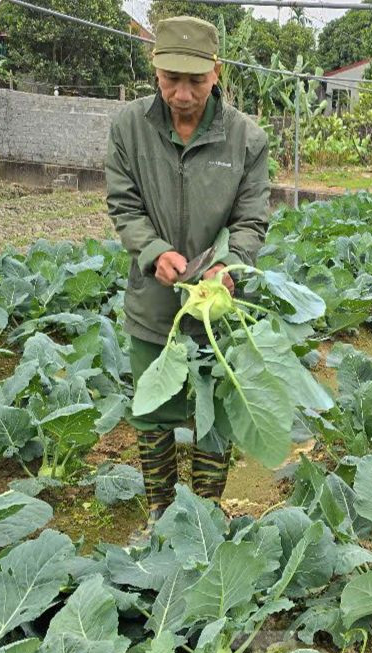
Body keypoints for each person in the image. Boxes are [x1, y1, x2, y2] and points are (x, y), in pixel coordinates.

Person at [104, 16, 270, 536]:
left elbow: (251, 219)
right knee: (152, 410)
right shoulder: (128, 128)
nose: (181, 93)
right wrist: (153, 253)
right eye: (171, 79)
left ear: (215, 73)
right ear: (155, 72)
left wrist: (227, 266)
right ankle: (159, 512)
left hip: (216, 304)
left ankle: (204, 516)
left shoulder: (246, 139)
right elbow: (124, 206)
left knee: (216, 414)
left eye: (194, 81)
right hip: (153, 300)